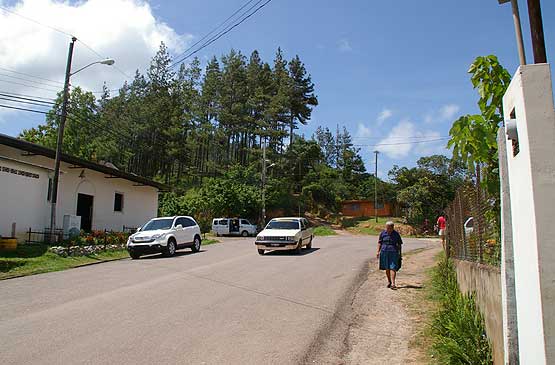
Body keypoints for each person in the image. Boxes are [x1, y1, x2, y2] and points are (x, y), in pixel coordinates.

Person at [377, 221, 403, 289]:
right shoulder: (383, 233)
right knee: (387, 268)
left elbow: (399, 244)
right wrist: (378, 252)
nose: (387, 229)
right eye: (387, 228)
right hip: (384, 251)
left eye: (389, 228)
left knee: (393, 267)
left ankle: (393, 283)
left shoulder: (396, 234)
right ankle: (389, 282)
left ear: (392, 228)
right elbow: (380, 242)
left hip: (393, 252)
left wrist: (400, 254)